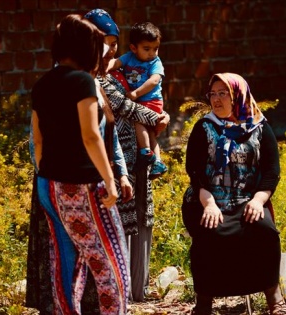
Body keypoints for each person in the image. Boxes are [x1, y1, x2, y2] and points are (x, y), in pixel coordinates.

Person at [29, 14, 129, 314]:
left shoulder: (42, 84)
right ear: (85, 48)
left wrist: (48, 175)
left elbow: (38, 139)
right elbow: (90, 136)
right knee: (111, 262)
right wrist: (109, 179)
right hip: (84, 186)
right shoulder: (83, 82)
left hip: (49, 185)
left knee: (66, 262)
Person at [181, 73, 286, 315]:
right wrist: (208, 203)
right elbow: (195, 171)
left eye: (223, 94)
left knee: (265, 231)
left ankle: (274, 298)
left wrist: (259, 200)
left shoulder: (260, 127)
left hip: (247, 200)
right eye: (213, 94)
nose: (216, 100)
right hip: (208, 198)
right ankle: (204, 302)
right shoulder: (205, 127)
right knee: (209, 232)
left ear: (238, 96)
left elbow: (272, 171)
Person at [85, 8, 170, 301]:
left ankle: (136, 289)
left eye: (112, 42)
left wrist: (158, 117)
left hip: (137, 156)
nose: (110, 49)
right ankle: (115, 292)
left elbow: (146, 97)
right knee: (116, 223)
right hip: (108, 163)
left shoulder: (121, 71)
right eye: (103, 41)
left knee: (140, 219)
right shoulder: (93, 78)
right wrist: (157, 117)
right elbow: (126, 107)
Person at [107, 21, 168, 179]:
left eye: (155, 48)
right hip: (139, 102)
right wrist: (105, 68)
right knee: (149, 132)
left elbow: (154, 81)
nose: (152, 53)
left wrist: (136, 94)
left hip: (151, 100)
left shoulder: (155, 62)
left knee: (138, 121)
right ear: (134, 48)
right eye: (147, 49)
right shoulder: (129, 57)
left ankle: (146, 152)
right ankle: (157, 162)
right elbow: (116, 62)